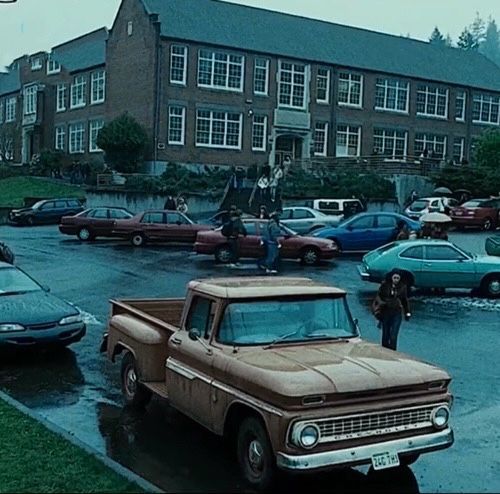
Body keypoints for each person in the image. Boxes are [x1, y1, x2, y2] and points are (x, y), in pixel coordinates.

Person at [374, 269, 411, 350]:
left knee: (394, 335)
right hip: (386, 311)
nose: (396, 280)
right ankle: (385, 351)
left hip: (396, 312)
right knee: (385, 335)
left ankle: (393, 351)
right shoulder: (385, 285)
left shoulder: (402, 287)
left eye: (398, 278)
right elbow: (378, 296)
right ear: (391, 278)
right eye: (394, 278)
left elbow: (404, 300)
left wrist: (407, 312)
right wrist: (381, 304)